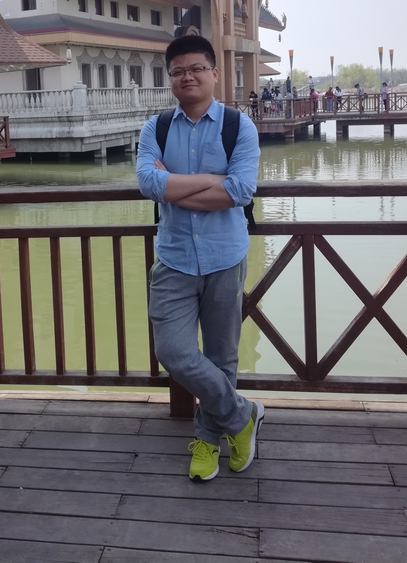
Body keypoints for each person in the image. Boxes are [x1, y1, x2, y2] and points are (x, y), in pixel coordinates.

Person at [136, 35, 263, 482]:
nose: (187, 77)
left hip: (225, 256)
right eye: (178, 71)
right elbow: (148, 184)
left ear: (214, 73)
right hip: (173, 259)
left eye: (196, 68)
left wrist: (175, 185)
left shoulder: (238, 126)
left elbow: (240, 190)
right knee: (173, 351)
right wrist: (211, 180)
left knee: (222, 356)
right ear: (170, 78)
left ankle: (208, 438)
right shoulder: (155, 129)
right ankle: (242, 416)